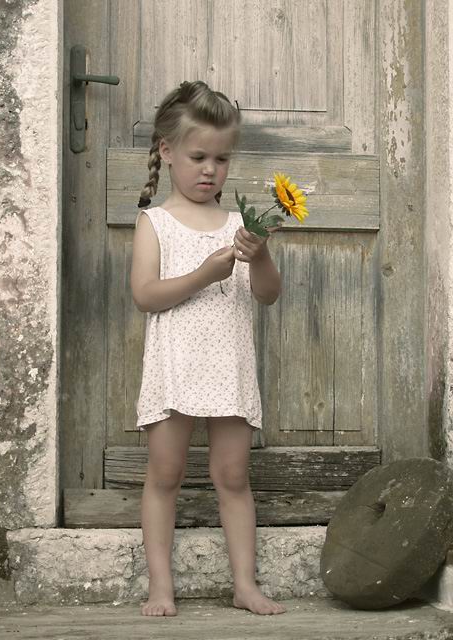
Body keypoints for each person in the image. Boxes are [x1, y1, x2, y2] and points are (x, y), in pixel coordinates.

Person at [131, 80, 285, 617]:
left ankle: (244, 584)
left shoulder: (240, 226)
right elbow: (146, 295)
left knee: (234, 477)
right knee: (165, 474)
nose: (209, 170)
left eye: (221, 158)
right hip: (175, 369)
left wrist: (259, 256)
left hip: (228, 366)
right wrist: (201, 274)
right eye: (198, 156)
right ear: (167, 151)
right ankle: (160, 587)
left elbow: (266, 296)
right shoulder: (155, 223)